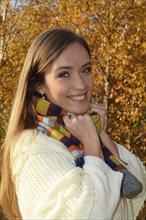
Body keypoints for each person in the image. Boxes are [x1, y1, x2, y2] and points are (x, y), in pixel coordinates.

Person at [0, 28, 145, 220]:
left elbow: (138, 185)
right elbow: (85, 215)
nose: (81, 85)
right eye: (64, 74)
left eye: (86, 70)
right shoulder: (33, 146)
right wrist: (93, 145)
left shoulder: (80, 132)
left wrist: (101, 136)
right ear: (39, 85)